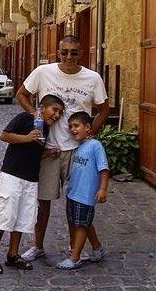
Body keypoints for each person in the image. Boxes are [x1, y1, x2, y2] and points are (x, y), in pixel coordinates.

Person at [16, 35, 109, 262]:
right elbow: (22, 94)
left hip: (77, 151)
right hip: (48, 148)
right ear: (58, 52)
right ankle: (37, 245)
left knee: (77, 201)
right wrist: (35, 115)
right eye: (64, 52)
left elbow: (104, 109)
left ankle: (73, 248)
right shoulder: (43, 72)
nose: (68, 57)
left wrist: (90, 133)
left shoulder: (92, 78)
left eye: (73, 52)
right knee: (43, 201)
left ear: (80, 54)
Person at [0, 94, 66, 274]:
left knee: (23, 216)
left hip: (31, 178)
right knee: (5, 214)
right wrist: (27, 138)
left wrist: (48, 153)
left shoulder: (45, 129)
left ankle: (13, 254)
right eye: (55, 110)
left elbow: (33, 152)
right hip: (12, 174)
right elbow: (4, 136)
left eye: (60, 113)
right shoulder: (25, 118)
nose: (57, 115)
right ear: (43, 108)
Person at [57, 111, 109, 270]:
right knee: (83, 223)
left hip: (85, 195)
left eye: (76, 126)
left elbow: (104, 169)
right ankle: (97, 247)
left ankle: (75, 257)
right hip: (73, 193)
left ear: (87, 127)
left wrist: (102, 189)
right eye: (70, 127)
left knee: (81, 225)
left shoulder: (95, 146)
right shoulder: (78, 147)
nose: (73, 129)